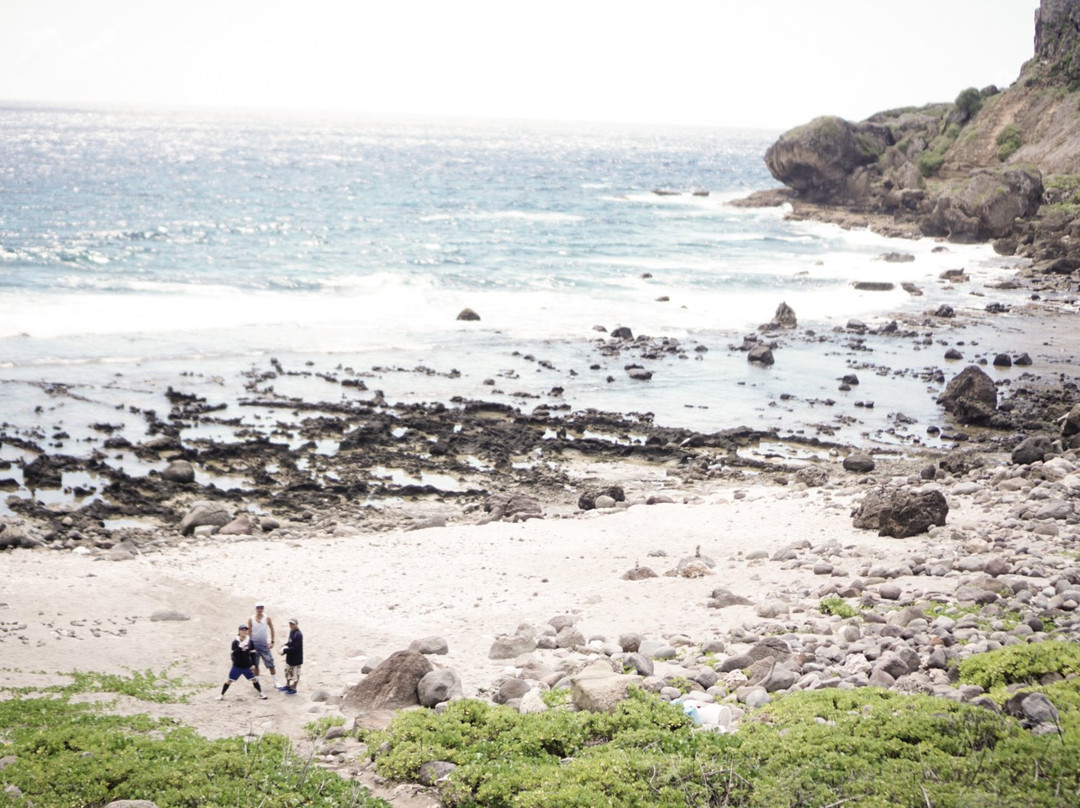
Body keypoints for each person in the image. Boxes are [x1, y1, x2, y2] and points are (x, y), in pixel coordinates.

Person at [217, 624, 268, 700]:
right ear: (239, 631)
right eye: (242, 630)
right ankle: (221, 695)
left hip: (247, 665)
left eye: (245, 630)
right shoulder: (235, 642)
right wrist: (240, 647)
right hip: (237, 665)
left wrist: (253, 664)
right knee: (229, 680)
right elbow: (233, 654)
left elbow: (253, 654)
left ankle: (261, 693)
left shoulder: (250, 641)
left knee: (254, 679)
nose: (244, 631)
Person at [247, 602, 279, 689]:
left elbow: (272, 628)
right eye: (258, 608)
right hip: (254, 645)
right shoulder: (251, 619)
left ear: (263, 609)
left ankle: (275, 682)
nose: (260, 609)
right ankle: (258, 682)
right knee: (256, 665)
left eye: (261, 608)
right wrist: (250, 644)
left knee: (270, 664)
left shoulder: (267, 618)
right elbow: (249, 632)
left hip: (264, 645)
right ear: (255, 609)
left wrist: (272, 641)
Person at [279, 617, 304, 694]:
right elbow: (290, 642)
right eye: (290, 623)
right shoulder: (291, 632)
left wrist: (284, 650)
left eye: (293, 624)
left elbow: (295, 648)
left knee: (296, 674)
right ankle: (287, 685)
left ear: (296, 624)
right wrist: (285, 645)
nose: (291, 625)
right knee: (287, 672)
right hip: (290, 657)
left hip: (297, 659)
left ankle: (294, 688)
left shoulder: (298, 634)